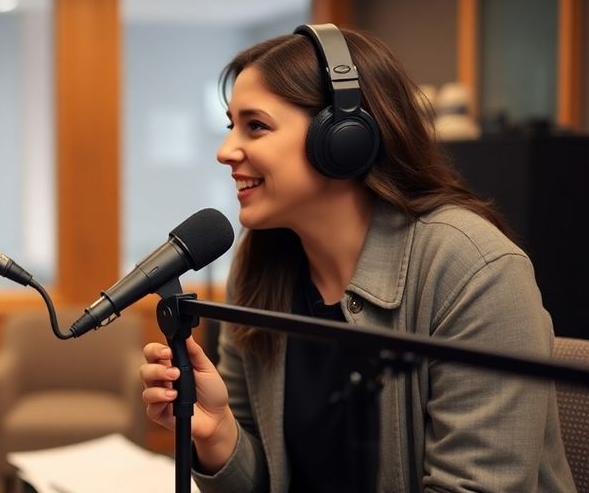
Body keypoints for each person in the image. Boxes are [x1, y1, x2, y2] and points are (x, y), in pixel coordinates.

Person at [140, 24, 576, 492]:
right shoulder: (259, 265)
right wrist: (218, 430)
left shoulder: (474, 269)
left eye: (257, 125)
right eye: (231, 126)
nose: (226, 151)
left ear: (343, 138)